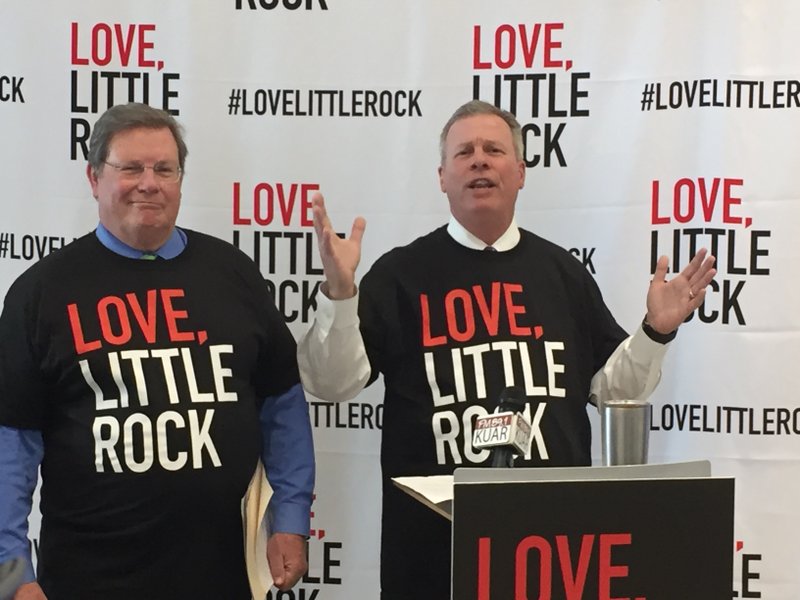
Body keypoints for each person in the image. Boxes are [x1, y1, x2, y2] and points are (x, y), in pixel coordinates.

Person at [297, 99, 717, 599]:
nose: (479, 160)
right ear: (441, 177)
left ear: (519, 172)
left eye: (494, 150)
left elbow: (612, 391)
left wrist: (654, 331)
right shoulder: (400, 275)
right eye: (464, 152)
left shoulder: (562, 274)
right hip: (433, 553)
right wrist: (341, 297)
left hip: (554, 550)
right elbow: (330, 382)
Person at [0, 103, 314, 599]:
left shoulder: (232, 273)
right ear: (94, 177)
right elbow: (10, 446)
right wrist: (12, 577)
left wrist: (291, 519)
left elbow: (283, 406)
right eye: (130, 168)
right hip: (86, 580)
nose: (149, 183)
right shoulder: (41, 293)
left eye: (164, 169)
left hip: (221, 575)